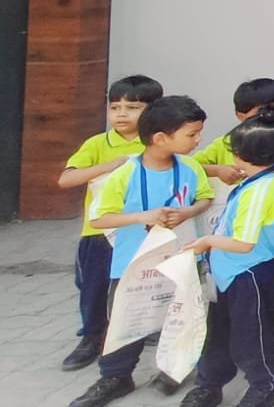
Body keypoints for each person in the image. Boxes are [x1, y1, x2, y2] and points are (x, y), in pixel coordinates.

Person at [69, 96, 212, 407]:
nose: (198, 140)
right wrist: (141, 217)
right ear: (161, 138)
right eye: (192, 134)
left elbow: (206, 198)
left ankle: (175, 369)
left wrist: (188, 212)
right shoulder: (125, 173)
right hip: (134, 263)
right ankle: (115, 376)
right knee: (128, 320)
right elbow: (99, 217)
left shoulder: (190, 167)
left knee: (181, 315)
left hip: (181, 258)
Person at [182, 115, 274, 407]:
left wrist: (206, 242)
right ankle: (210, 383)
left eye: (234, 150)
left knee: (253, 335)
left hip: (248, 274)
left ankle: (264, 385)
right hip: (228, 274)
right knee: (218, 332)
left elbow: (244, 244)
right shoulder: (256, 182)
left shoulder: (260, 189)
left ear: (246, 156)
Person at [59, 74, 162, 371]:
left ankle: (146, 330)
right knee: (93, 287)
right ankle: (92, 337)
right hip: (99, 232)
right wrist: (112, 165)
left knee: (143, 284)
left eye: (132, 108)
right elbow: (66, 179)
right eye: (115, 107)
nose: (121, 114)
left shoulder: (157, 143)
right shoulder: (97, 144)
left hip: (143, 232)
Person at [195, 79, 274, 185]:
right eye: (262, 112)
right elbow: (189, 167)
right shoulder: (225, 143)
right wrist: (218, 170)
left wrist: (268, 177)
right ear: (240, 116)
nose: (270, 116)